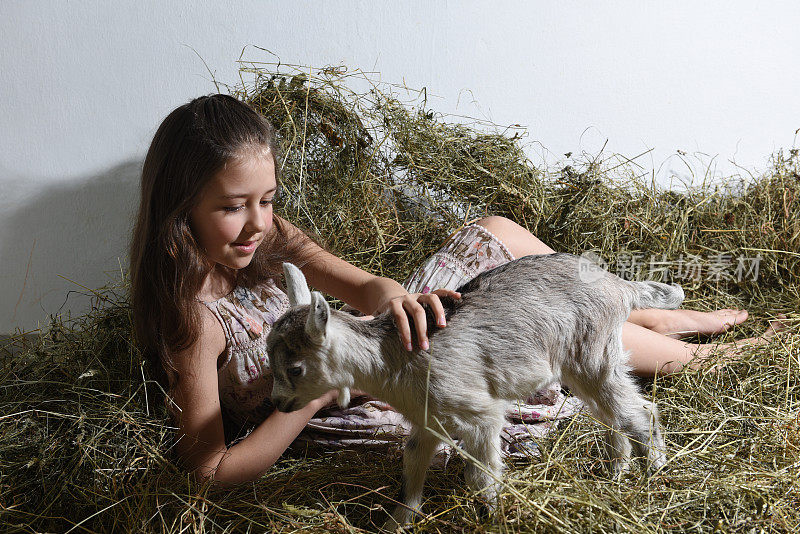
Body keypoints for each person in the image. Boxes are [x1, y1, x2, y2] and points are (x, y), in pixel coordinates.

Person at [130, 94, 780, 485]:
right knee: (514, 332)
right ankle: (710, 361)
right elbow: (208, 475)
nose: (257, 223)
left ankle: (645, 317)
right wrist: (308, 400)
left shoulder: (267, 237)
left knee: (495, 234)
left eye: (267, 200)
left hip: (378, 339)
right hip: (353, 403)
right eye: (232, 207)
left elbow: (361, 281)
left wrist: (395, 303)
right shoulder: (197, 320)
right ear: (180, 207)